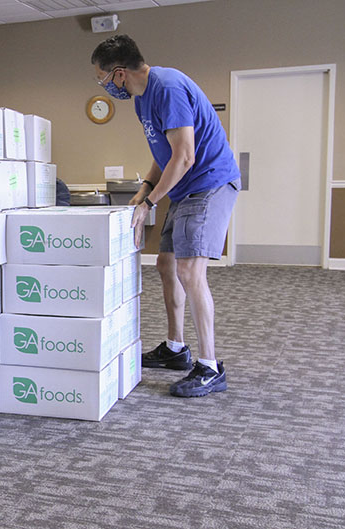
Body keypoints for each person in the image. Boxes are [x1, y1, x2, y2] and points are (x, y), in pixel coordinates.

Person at [91, 35, 240, 398]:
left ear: (120, 74)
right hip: (186, 187)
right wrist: (144, 189)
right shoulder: (143, 100)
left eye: (103, 79)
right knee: (166, 263)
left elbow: (185, 156)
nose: (104, 86)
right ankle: (176, 349)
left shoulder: (168, 87)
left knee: (190, 270)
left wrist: (150, 204)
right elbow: (165, 152)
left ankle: (209, 366)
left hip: (210, 183)